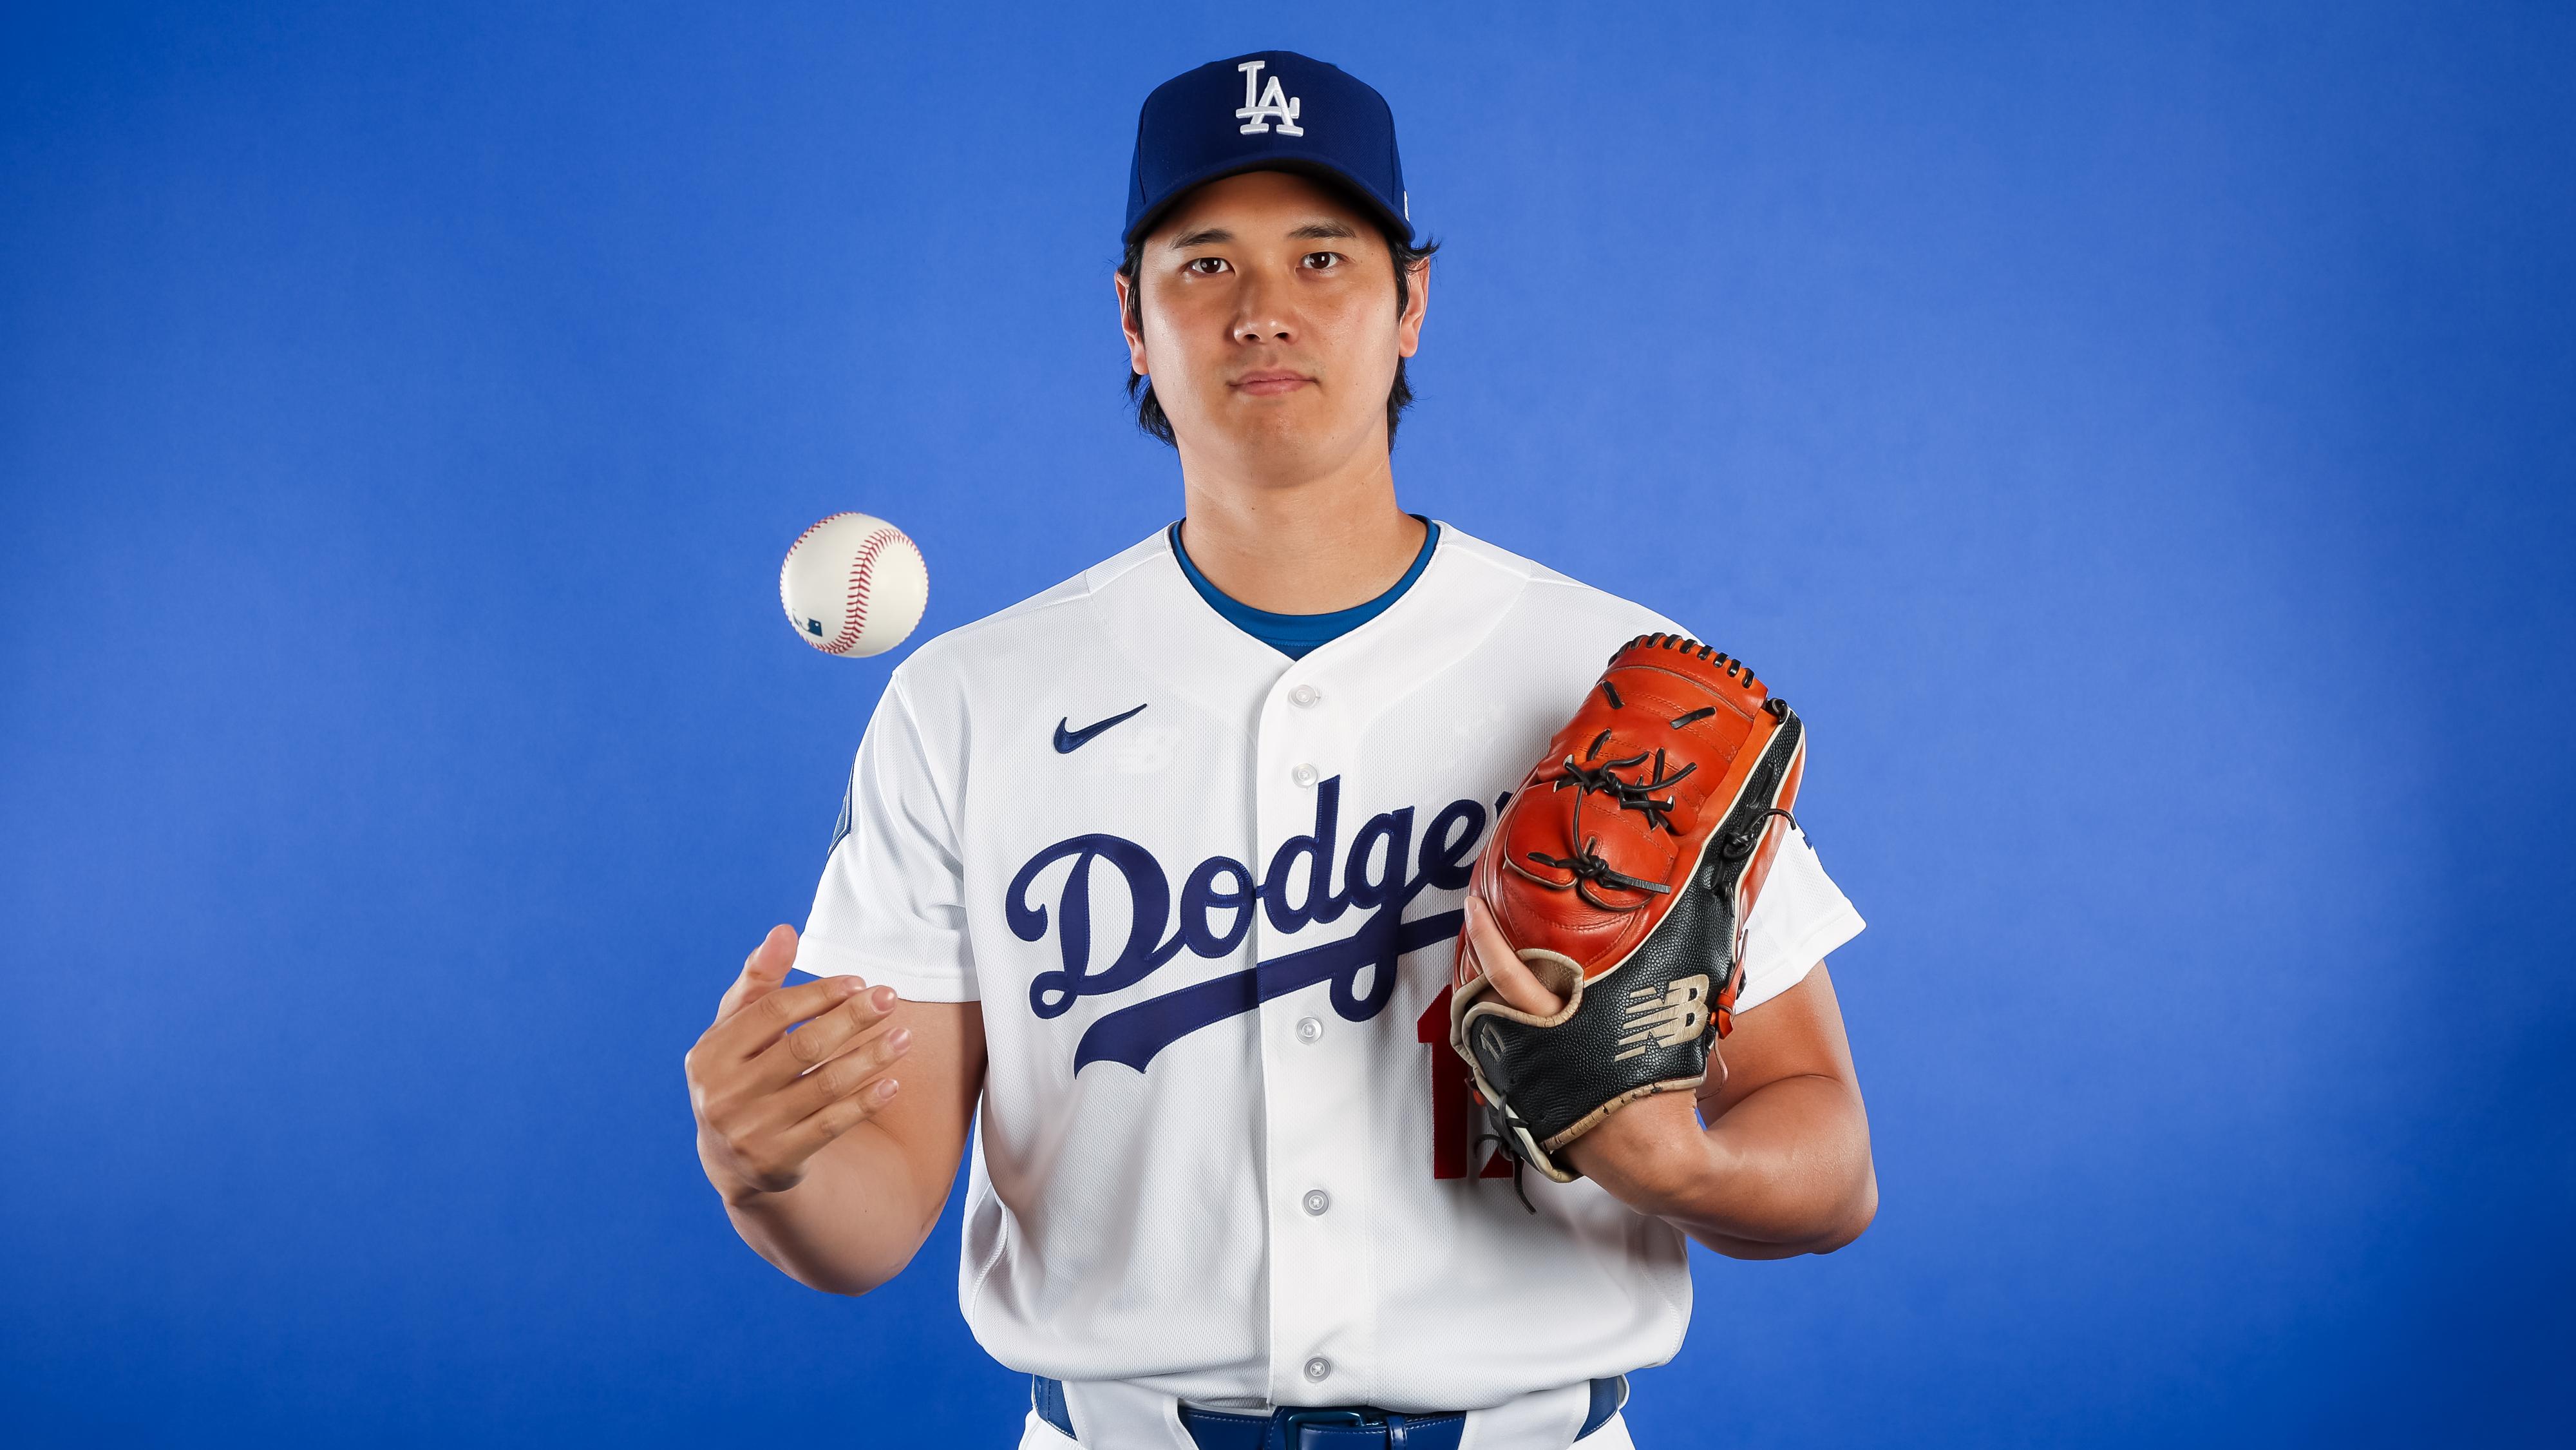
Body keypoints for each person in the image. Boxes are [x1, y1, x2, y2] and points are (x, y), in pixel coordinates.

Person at [682, 51, 1877, 1450]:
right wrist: (760, 1166)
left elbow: (1827, 1158)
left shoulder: (1616, 680)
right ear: (1128, 319)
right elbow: (872, 1215)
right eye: (1203, 266)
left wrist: (1677, 1161)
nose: (1263, 311)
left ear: (1409, 303)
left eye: (1322, 257)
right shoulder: (969, 701)